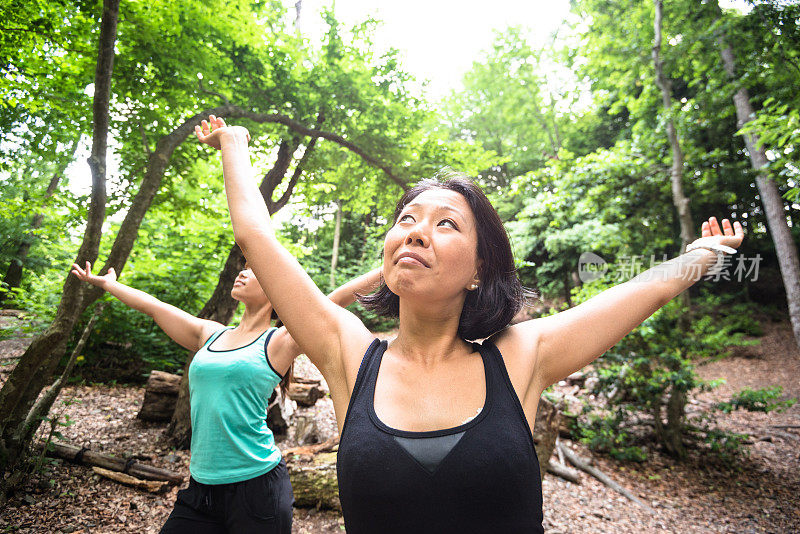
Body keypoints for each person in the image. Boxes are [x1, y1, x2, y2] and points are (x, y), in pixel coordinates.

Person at [195, 114, 745, 533]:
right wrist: (235, 145)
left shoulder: (520, 356)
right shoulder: (348, 354)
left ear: (480, 270)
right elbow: (257, 238)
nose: (414, 231)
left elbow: (633, 294)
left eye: (445, 224)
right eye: (405, 220)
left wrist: (700, 255)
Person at [70, 259, 380, 534]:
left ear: (275, 288)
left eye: (253, 270)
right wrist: (110, 285)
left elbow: (336, 298)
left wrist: (388, 270)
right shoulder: (210, 333)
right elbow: (154, 306)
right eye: (243, 268)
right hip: (201, 490)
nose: (242, 273)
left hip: (257, 490)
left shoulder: (279, 341)